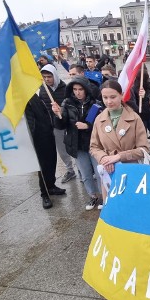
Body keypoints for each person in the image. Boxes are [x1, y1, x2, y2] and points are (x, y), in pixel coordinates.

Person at [52, 76, 104, 210]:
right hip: (77, 145)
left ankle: (104, 196)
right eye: (75, 89)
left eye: (80, 89)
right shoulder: (67, 103)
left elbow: (102, 125)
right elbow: (61, 125)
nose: (77, 92)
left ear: (86, 89)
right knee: (85, 174)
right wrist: (57, 114)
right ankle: (93, 196)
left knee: (99, 173)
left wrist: (87, 126)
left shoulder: (96, 103)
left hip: (94, 145)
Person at [90, 80, 150, 176]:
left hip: (131, 171)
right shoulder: (99, 119)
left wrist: (119, 156)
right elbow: (94, 147)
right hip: (109, 173)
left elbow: (144, 149)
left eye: (113, 97)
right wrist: (104, 158)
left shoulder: (134, 118)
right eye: (105, 97)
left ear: (121, 95)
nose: (109, 101)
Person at [25, 94, 66, 209]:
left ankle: (51, 186)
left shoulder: (34, 96)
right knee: (43, 166)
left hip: (47, 133)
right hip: (37, 138)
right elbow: (29, 121)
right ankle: (45, 194)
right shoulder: (22, 99)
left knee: (52, 160)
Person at [38, 64, 76, 183]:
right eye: (44, 77)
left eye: (49, 76)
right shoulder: (43, 89)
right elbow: (42, 107)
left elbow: (72, 105)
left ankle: (81, 169)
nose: (47, 79)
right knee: (62, 150)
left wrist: (62, 111)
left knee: (75, 147)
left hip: (69, 123)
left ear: (55, 75)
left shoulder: (65, 88)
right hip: (55, 125)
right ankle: (70, 170)